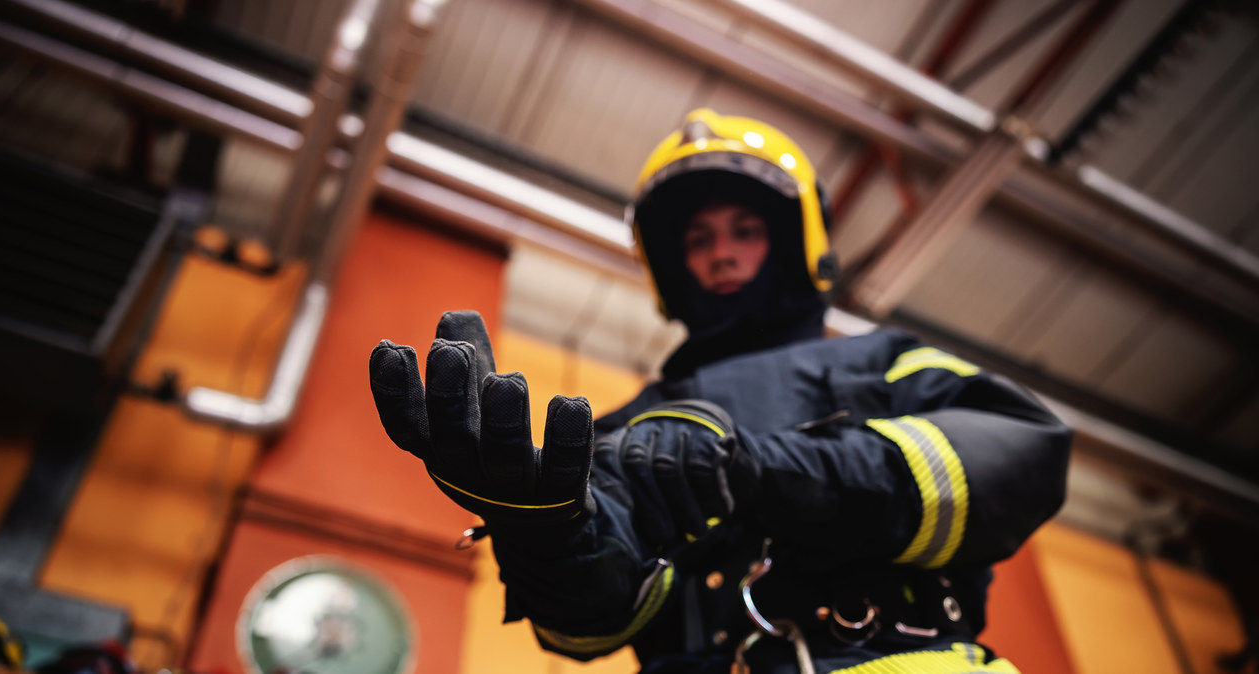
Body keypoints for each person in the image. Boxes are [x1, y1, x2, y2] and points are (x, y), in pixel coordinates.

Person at [369, 109, 1072, 673]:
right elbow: (582, 636)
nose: (722, 253)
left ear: (797, 241)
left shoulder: (884, 362)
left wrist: (758, 471)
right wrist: (545, 536)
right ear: (670, 266)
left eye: (746, 230)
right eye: (698, 239)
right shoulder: (627, 427)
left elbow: (1022, 458)